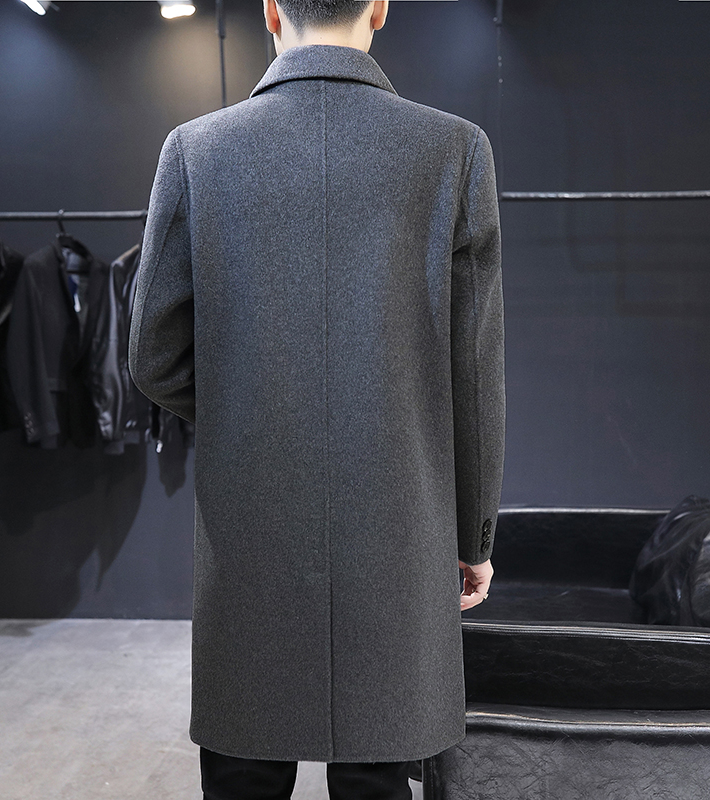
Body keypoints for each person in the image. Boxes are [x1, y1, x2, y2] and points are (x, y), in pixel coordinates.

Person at [128, 0, 505, 796]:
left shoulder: (196, 150)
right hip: (398, 536)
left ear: (269, 11)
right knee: (380, 772)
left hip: (251, 526)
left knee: (243, 770)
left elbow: (152, 357)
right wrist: (473, 534)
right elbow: (472, 375)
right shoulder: (454, 149)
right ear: (381, 8)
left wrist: (247, 405)